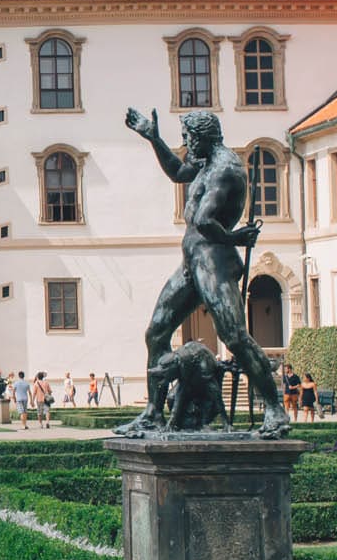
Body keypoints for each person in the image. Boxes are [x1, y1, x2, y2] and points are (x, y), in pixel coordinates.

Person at [119, 107, 287, 438]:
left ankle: (275, 410)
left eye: (187, 139)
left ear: (200, 138)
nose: (185, 145)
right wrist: (153, 138)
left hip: (214, 261)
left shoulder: (225, 170)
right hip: (192, 260)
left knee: (235, 337)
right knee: (156, 332)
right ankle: (153, 413)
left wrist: (234, 238)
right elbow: (179, 172)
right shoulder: (206, 161)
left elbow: (205, 221)